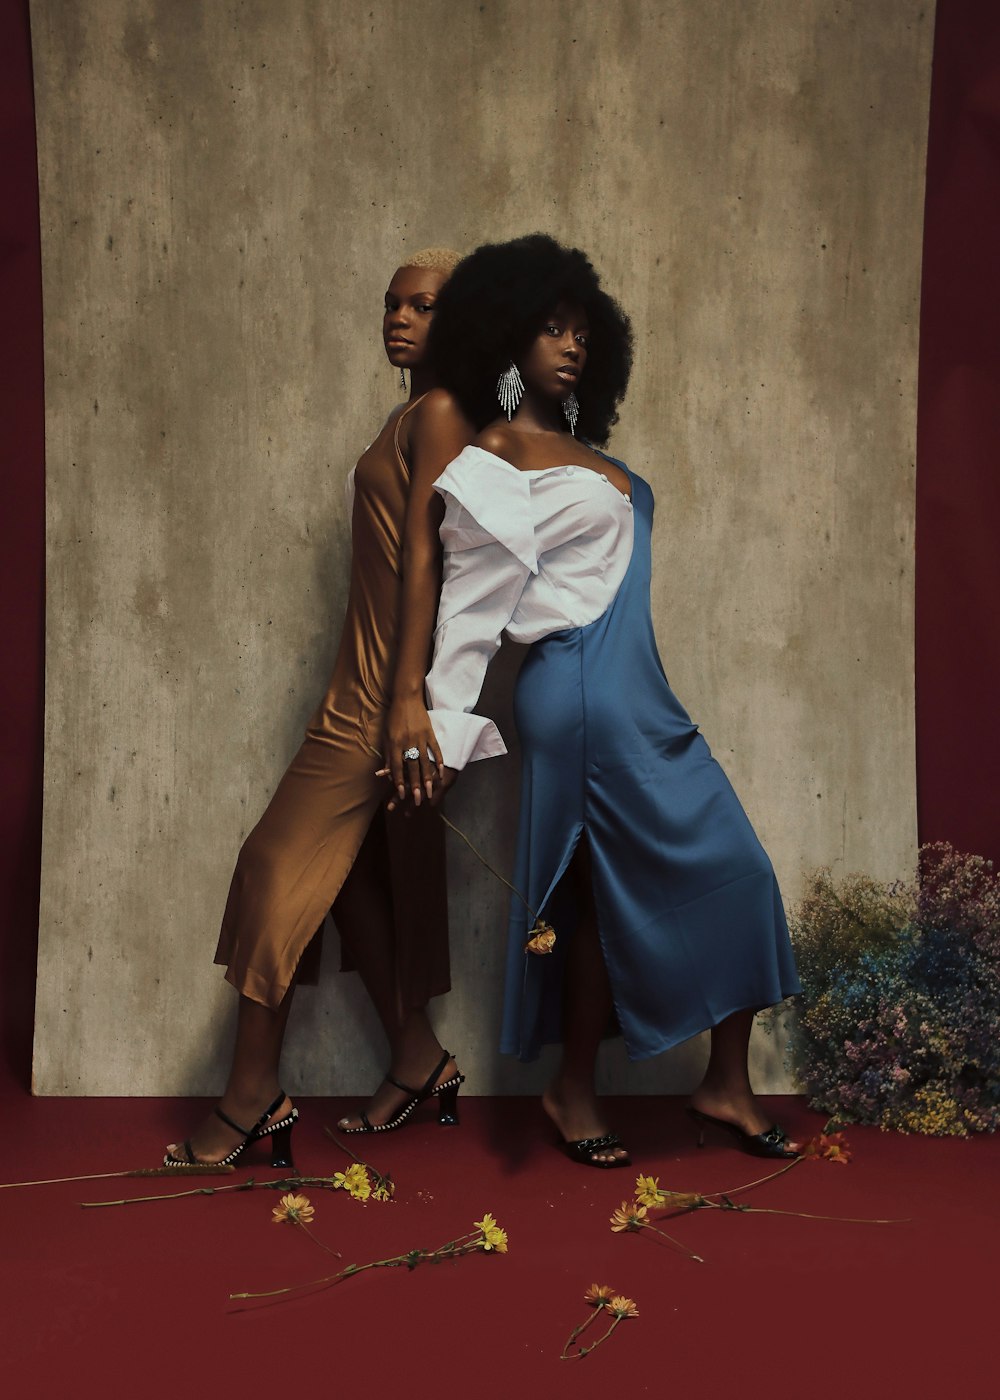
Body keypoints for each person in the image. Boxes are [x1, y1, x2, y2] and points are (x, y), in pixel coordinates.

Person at [422, 234, 802, 1167]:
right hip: (580, 687)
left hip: (642, 689)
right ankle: (575, 1091)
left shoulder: (584, 453)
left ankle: (716, 1084)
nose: (571, 345)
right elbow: (467, 603)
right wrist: (437, 723)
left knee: (732, 872)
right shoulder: (497, 452)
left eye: (582, 332)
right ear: (507, 341)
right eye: (550, 328)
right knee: (584, 900)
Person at [164, 248, 473, 1166]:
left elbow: (431, 557)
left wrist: (409, 699)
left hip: (384, 699)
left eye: (420, 306)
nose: (398, 318)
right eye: (391, 303)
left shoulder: (446, 412)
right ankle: (419, 1059)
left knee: (273, 865)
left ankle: (252, 1093)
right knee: (357, 889)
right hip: (361, 685)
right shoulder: (408, 411)